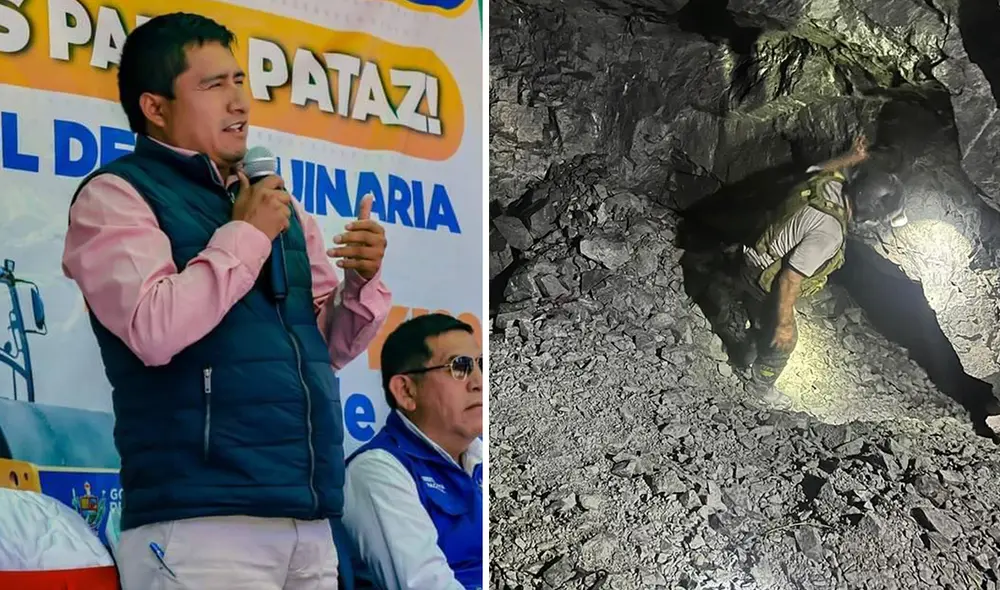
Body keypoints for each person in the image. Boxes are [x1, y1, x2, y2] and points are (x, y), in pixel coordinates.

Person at [61, 12, 391, 589]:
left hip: (306, 518)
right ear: (155, 107)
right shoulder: (117, 195)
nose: (239, 102)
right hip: (198, 520)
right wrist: (247, 235)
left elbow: (323, 348)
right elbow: (153, 328)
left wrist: (360, 285)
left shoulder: (275, 206)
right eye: (214, 86)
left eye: (241, 82)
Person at [732, 135, 895, 404]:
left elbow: (816, 170)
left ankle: (753, 328)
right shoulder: (829, 231)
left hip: (749, 253)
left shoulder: (829, 183)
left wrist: (851, 157)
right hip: (759, 277)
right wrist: (784, 325)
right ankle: (758, 387)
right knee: (786, 341)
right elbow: (789, 279)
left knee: (767, 315)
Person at [343, 314, 483, 590]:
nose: (478, 382)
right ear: (406, 391)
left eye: (481, 365)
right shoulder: (378, 471)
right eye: (460, 367)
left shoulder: (478, 456)